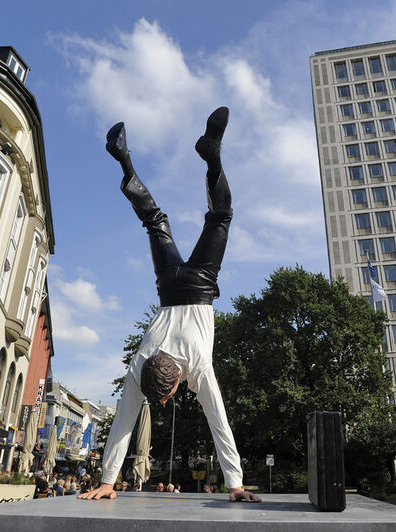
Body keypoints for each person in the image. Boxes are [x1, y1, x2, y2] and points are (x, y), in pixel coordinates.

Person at [80, 107, 260, 504]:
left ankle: (212, 154)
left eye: (167, 396)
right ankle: (125, 160)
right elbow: (124, 424)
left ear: (178, 380)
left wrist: (235, 484)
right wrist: (108, 481)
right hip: (168, 284)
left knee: (220, 217)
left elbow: (219, 424)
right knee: (155, 221)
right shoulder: (139, 364)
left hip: (199, 286)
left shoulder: (196, 366)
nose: (166, 401)